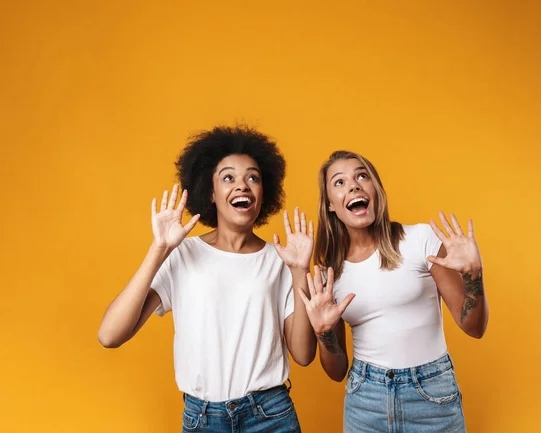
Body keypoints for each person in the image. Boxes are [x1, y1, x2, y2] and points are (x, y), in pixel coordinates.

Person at [98, 125, 316, 433]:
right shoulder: (182, 254)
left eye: (252, 177)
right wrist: (159, 249)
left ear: (263, 192)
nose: (243, 185)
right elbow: (109, 335)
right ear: (211, 193)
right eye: (228, 177)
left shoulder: (280, 261)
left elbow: (304, 355)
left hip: (270, 415)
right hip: (203, 419)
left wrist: (300, 272)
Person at [297, 150, 488, 432]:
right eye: (339, 182)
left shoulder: (420, 239)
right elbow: (337, 371)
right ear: (330, 206)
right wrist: (324, 334)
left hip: (432, 395)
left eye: (362, 175)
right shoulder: (329, 272)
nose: (353, 185)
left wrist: (473, 276)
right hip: (366, 399)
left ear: (376, 189)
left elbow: (474, 327)